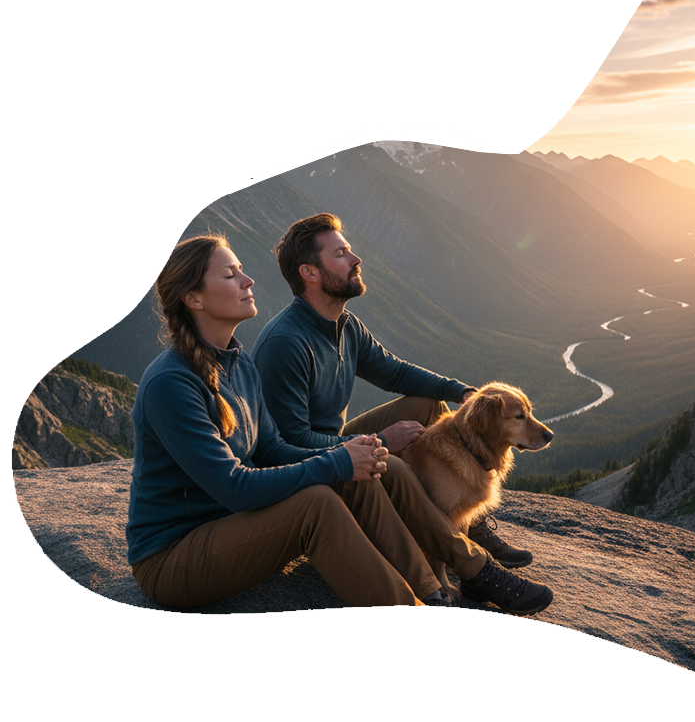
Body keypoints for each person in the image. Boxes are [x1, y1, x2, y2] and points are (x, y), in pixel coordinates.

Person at [125, 233, 520, 703]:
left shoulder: (237, 362)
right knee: (317, 501)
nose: (249, 280)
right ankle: (427, 648)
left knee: (369, 471)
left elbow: (270, 448)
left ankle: (436, 609)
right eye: (230, 275)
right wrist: (335, 460)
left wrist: (352, 457)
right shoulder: (171, 383)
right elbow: (235, 488)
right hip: (174, 557)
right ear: (193, 298)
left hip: (230, 528)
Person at [251, 213, 543, 574]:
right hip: (306, 466)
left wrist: (460, 392)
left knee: (427, 404)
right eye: (341, 254)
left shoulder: (344, 324)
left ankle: (468, 517)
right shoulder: (285, 343)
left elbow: (393, 372)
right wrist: (379, 440)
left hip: (333, 440)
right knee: (397, 453)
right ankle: (453, 550)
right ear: (309, 273)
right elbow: (289, 444)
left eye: (350, 250)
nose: (356, 260)